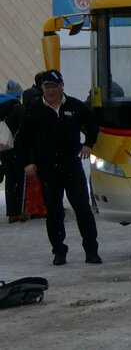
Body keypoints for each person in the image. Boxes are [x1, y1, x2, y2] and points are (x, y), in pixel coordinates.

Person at [12, 70, 101, 265]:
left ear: (62, 85)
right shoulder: (33, 108)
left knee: (82, 209)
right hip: (46, 167)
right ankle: (59, 252)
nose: (50, 90)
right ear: (41, 88)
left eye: (54, 86)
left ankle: (91, 250)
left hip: (71, 164)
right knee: (54, 212)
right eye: (46, 86)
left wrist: (89, 143)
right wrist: (27, 162)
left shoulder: (75, 106)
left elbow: (93, 124)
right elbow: (22, 139)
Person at [0, 79, 25, 222]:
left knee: (10, 179)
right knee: (20, 179)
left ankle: (11, 213)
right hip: (16, 147)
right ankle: (19, 211)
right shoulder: (18, 108)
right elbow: (22, 130)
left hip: (3, 148)